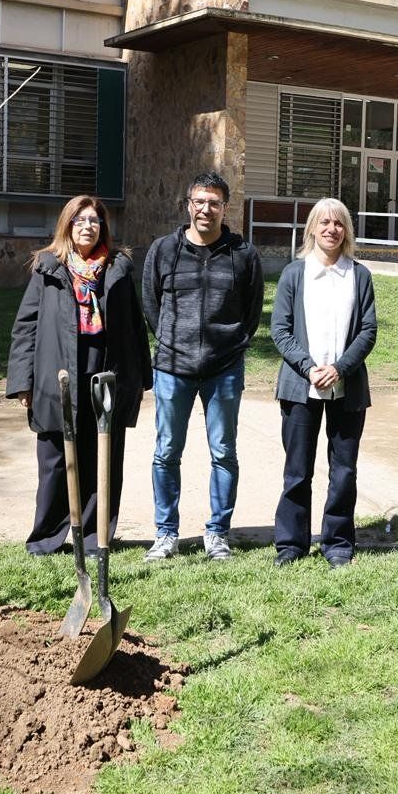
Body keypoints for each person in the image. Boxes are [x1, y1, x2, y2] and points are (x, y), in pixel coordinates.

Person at [6, 196, 151, 556]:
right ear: (67, 225)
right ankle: (47, 539)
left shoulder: (117, 268)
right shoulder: (49, 267)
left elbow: (134, 326)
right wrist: (23, 382)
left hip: (106, 372)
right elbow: (26, 327)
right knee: (56, 460)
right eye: (80, 220)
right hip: (57, 374)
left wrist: (141, 379)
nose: (88, 226)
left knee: (102, 457)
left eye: (95, 221)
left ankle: (95, 537)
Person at [142, 171, 265, 562]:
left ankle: (217, 534)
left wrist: (234, 346)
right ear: (188, 205)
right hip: (172, 368)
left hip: (224, 369)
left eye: (214, 203)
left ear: (224, 207)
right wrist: (169, 340)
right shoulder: (163, 250)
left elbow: (251, 310)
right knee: (166, 451)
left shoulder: (243, 254)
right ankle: (166, 534)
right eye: (199, 201)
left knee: (223, 452)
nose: (206, 209)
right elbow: (150, 303)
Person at [269, 197, 378, 569]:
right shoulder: (294, 274)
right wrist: (309, 367)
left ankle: (337, 543)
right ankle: (291, 544)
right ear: (312, 228)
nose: (332, 229)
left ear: (346, 231)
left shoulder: (359, 275)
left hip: (347, 388)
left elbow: (368, 330)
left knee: (344, 471)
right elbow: (280, 330)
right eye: (325, 223)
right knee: (297, 470)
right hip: (301, 387)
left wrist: (340, 368)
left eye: (340, 224)